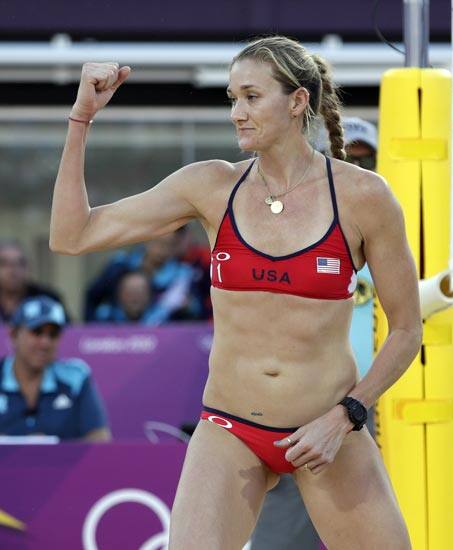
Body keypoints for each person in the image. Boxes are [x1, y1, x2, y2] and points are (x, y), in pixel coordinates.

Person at [50, 35, 420, 549]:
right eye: (232, 98)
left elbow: (406, 330)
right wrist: (81, 119)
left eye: (251, 97)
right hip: (230, 428)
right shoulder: (210, 186)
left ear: (296, 101)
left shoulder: (363, 196)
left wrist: (347, 416)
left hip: (327, 429)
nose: (236, 113)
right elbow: (72, 236)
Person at [251, 115, 380, 550]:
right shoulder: (278, 224)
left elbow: (411, 326)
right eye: (342, 158)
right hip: (290, 404)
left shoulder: (388, 229)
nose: (355, 169)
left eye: (366, 160)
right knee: (284, 536)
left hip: (365, 406)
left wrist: (354, 409)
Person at [0, 296, 110, 441]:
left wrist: (54, 451)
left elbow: (99, 439)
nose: (45, 343)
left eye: (53, 335)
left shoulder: (75, 378)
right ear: (14, 335)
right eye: (37, 332)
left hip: (64, 464)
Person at [84, 230, 204, 322]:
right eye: (158, 243)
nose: (162, 250)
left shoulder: (182, 276)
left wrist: (188, 306)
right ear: (146, 240)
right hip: (117, 336)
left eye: (169, 245)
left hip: (163, 337)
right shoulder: (120, 265)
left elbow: (198, 310)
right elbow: (92, 297)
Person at [0, 240, 67, 324]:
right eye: (4, 264)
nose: (13, 270)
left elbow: (69, 331)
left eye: (20, 263)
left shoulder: (48, 298)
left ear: (29, 268)